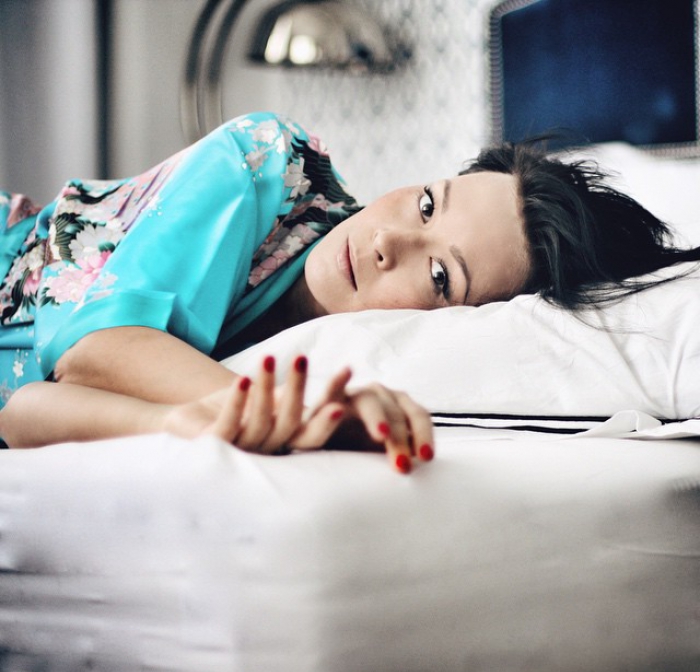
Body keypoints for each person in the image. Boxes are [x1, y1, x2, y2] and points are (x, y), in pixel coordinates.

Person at [0, 112, 698, 468]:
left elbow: (28, 409)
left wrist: (200, 424)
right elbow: (94, 351)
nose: (389, 241)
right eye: (427, 204)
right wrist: (284, 414)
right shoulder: (271, 164)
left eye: (440, 276)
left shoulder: (353, 352)